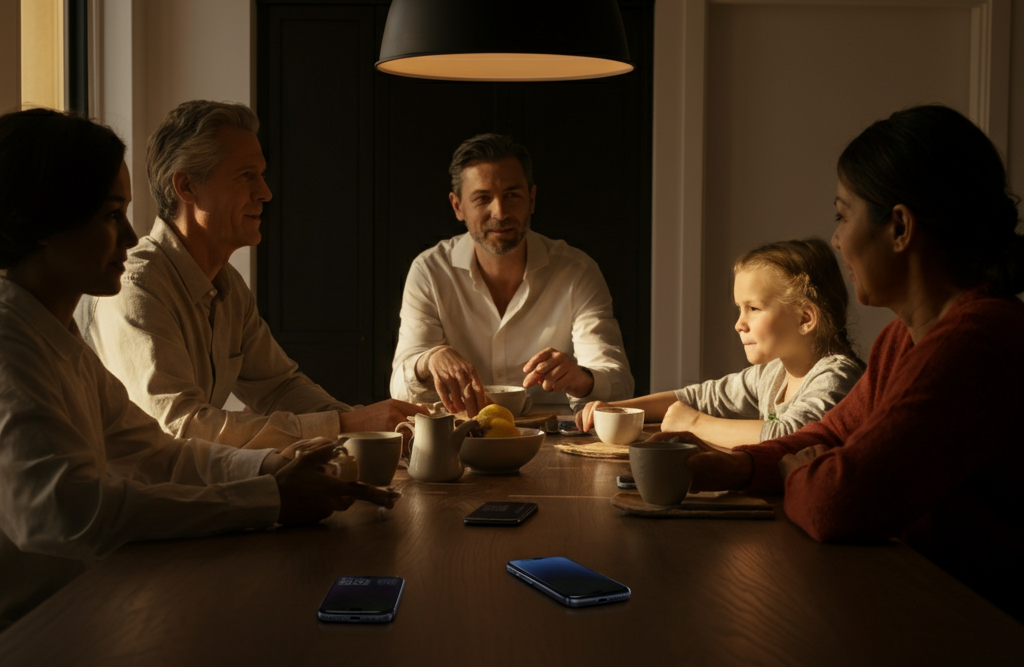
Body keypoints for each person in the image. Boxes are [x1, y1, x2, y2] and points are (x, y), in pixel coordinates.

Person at [0, 109, 396, 629]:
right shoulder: (14, 343)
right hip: (32, 643)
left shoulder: (58, 338)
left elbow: (155, 452)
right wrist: (270, 496)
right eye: (110, 215)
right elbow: (64, 513)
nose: (129, 235)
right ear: (44, 223)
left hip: (89, 606)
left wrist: (270, 469)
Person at [658, 105, 1024, 619]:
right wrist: (740, 468)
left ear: (899, 227)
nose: (835, 238)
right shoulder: (903, 337)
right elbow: (831, 436)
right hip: (935, 610)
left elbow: (840, 502)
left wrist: (794, 473)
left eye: (842, 214)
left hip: (986, 641)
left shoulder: (974, 344)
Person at [80, 100, 426, 450]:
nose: (265, 192)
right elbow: (180, 427)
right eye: (246, 176)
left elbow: (279, 387)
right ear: (186, 187)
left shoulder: (228, 285)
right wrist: (346, 424)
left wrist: (374, 429)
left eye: (260, 174)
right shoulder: (134, 286)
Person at [389, 133, 633, 415]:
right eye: (482, 198)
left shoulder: (577, 270)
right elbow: (400, 390)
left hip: (559, 435)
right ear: (458, 206)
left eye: (512, 195)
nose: (500, 212)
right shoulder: (430, 270)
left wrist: (582, 379)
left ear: (531, 199)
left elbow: (620, 382)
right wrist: (429, 359)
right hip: (462, 437)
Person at [577, 238, 863, 445]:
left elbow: (791, 436)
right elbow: (698, 398)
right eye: (740, 309)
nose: (739, 323)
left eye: (753, 308)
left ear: (805, 319)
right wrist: (620, 409)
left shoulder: (836, 375)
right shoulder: (773, 373)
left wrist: (694, 423)